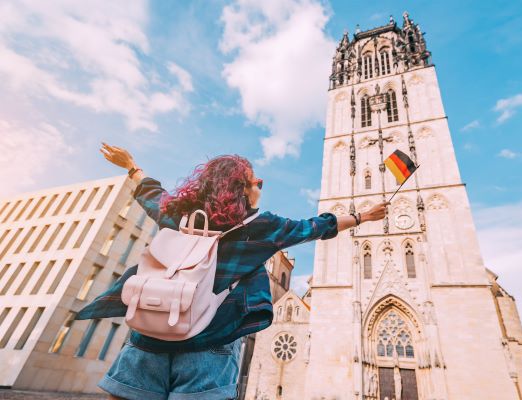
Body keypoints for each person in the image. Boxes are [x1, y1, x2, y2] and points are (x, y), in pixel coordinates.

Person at [78, 142, 389, 400]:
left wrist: (132, 166)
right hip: (208, 350)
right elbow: (315, 227)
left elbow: (151, 195)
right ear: (240, 189)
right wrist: (361, 217)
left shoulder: (179, 215)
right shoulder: (262, 228)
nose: (261, 184)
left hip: (148, 339)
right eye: (255, 180)